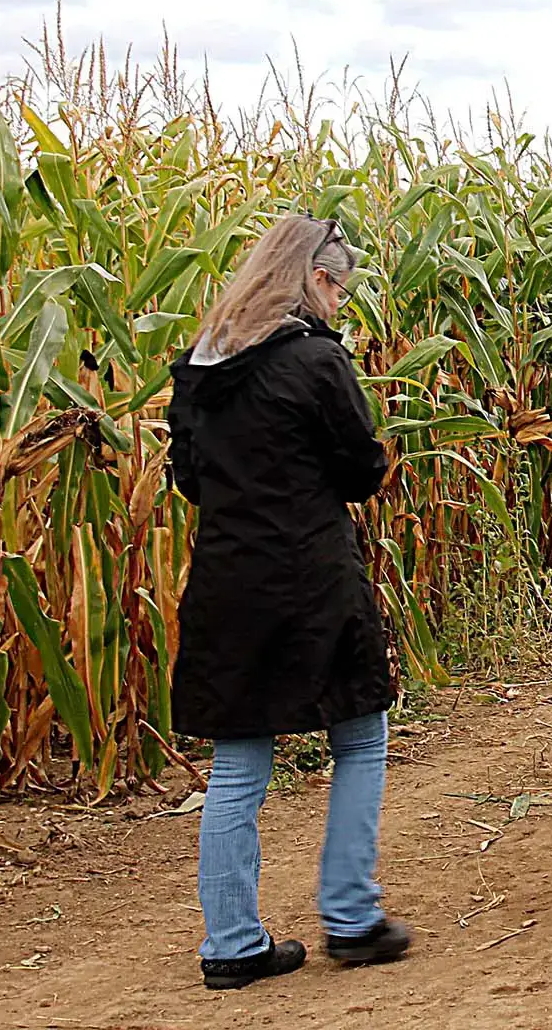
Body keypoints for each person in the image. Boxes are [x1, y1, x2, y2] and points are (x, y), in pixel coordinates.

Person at [168, 214, 413, 991]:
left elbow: (189, 478)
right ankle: (352, 917)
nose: (339, 304)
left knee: (239, 762)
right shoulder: (316, 361)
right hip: (313, 580)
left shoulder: (201, 366)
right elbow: (362, 470)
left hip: (227, 581)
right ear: (316, 278)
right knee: (361, 736)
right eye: (338, 289)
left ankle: (232, 944)